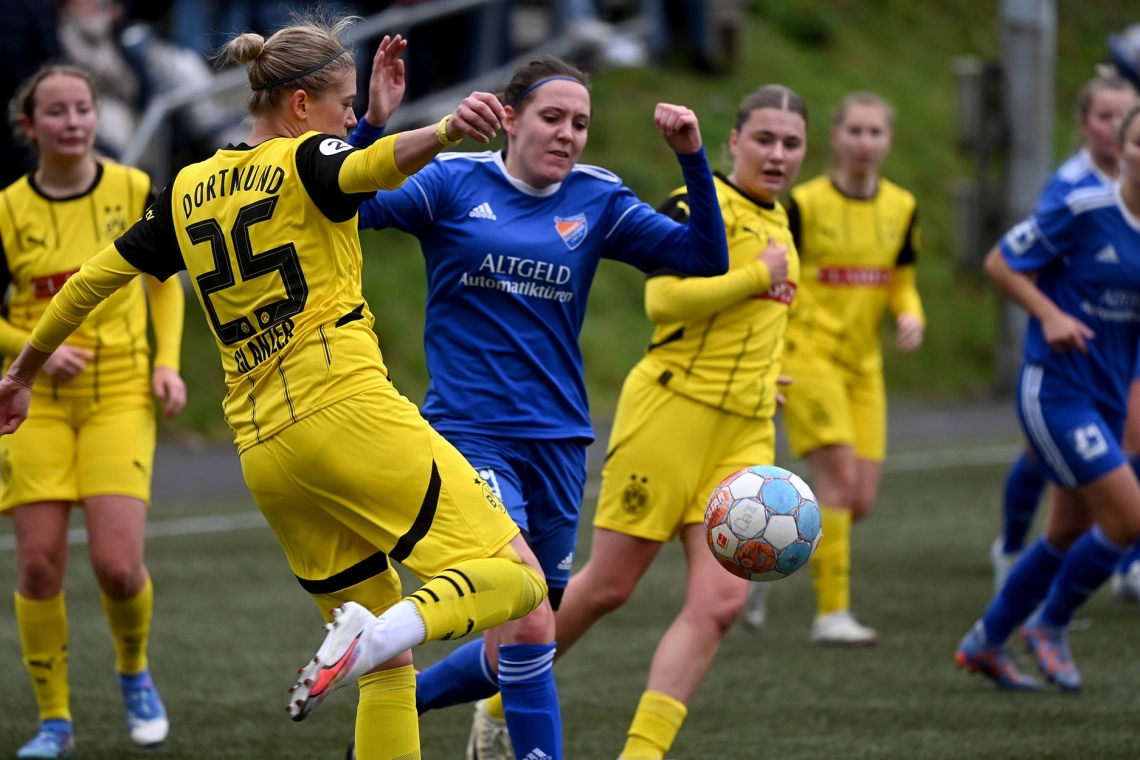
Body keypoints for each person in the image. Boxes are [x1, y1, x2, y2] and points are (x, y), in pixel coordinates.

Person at [0, 21, 551, 760]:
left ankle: (376, 633)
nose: (350, 116)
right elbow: (365, 167)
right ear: (297, 104)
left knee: (386, 676)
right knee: (521, 582)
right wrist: (448, 127)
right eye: (344, 102)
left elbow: (93, 280)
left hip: (264, 449)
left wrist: (20, 373)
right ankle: (384, 626)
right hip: (345, 411)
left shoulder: (188, 189)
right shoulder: (310, 156)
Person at [349, 49, 729, 760]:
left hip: (558, 444)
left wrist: (692, 158)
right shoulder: (452, 183)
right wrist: (375, 122)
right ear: (510, 118)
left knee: (527, 637)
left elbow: (705, 260)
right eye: (553, 118)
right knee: (527, 622)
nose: (568, 135)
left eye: (581, 123)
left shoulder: (599, 200)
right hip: (470, 435)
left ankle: (402, 698)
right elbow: (356, 202)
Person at [552, 83, 807, 760]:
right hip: (672, 410)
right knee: (609, 586)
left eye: (791, 143)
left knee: (721, 605)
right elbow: (664, 302)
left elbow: (764, 320)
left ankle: (642, 754)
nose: (777, 154)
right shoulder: (698, 204)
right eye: (765, 139)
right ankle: (500, 697)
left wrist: (762, 372)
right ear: (734, 142)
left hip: (746, 430)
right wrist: (756, 275)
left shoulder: (790, 223)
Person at [0, 63, 187, 759]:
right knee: (40, 568)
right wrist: (33, 348)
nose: (73, 121)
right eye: (56, 111)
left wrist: (166, 363)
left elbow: (165, 284)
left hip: (119, 396)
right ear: (29, 126)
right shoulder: (6, 209)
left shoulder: (136, 190)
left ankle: (134, 672)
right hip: (34, 402)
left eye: (83, 107)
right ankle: (55, 722)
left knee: (116, 565)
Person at [956, 104, 1140, 692]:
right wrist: (1051, 314)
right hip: (1056, 386)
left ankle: (985, 642)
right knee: (1128, 516)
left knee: (1066, 530)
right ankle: (1050, 624)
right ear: (1124, 149)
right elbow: (1001, 262)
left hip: (1109, 392)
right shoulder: (1084, 208)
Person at [753, 92, 924, 645]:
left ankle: (767, 540)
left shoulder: (902, 206)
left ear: (889, 140)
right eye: (855, 131)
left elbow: (901, 281)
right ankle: (831, 616)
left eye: (876, 132)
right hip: (807, 356)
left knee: (860, 499)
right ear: (835, 136)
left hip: (863, 366)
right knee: (841, 485)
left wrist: (910, 316)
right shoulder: (801, 205)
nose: (865, 142)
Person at [990, 73, 1140, 598]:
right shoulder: (1072, 191)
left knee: (1127, 448)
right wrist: (1051, 315)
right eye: (1104, 117)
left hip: (1121, 351)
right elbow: (1012, 262)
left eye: (1124, 116)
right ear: (1085, 126)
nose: (1112, 127)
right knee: (1047, 461)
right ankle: (1012, 552)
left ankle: (1116, 568)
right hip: (1071, 363)